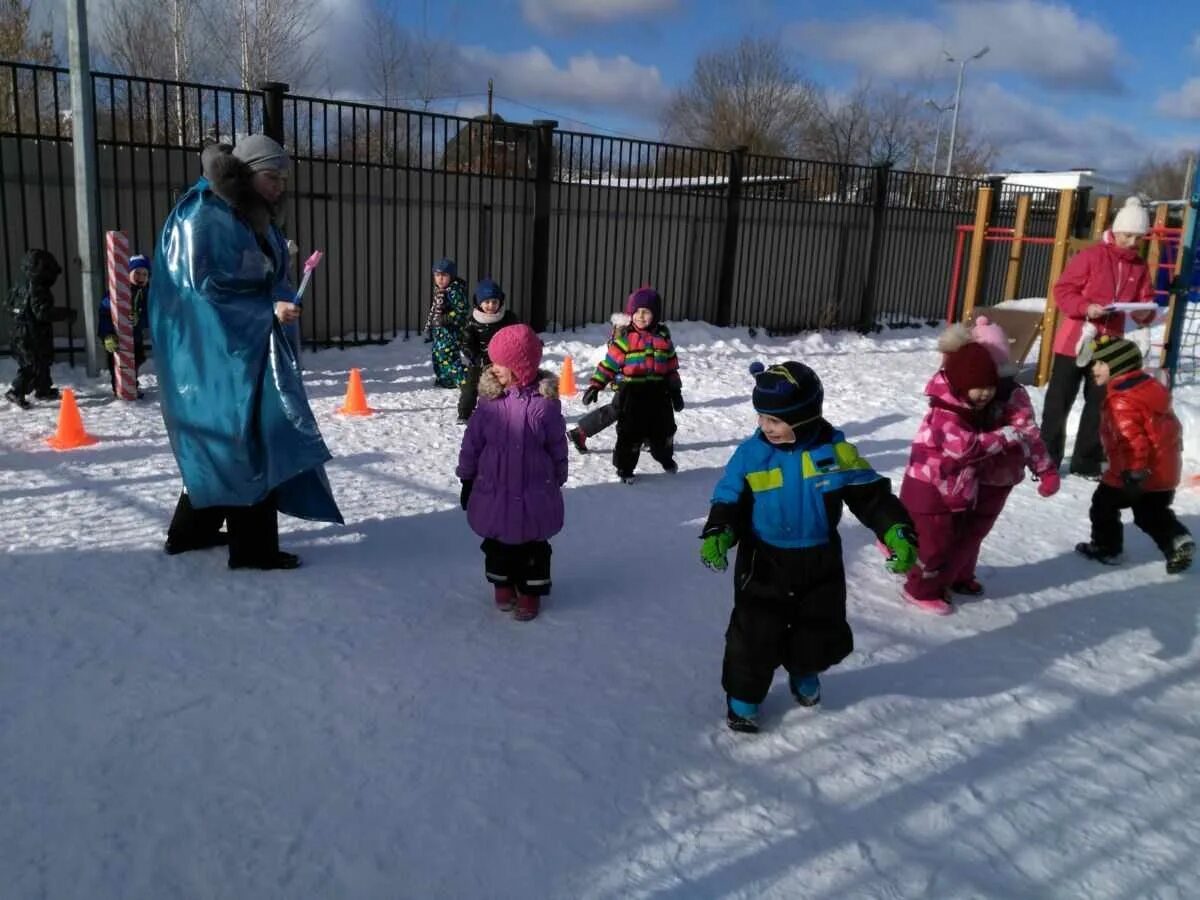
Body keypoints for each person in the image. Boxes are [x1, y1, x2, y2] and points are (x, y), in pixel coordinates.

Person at [149, 135, 342, 571]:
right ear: (248, 172)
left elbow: (243, 273)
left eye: (283, 179)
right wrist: (266, 308)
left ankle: (190, 533)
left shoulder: (241, 214)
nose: (279, 187)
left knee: (223, 443)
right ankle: (253, 549)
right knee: (243, 439)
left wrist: (274, 271)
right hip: (213, 356)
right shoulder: (204, 213)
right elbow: (200, 291)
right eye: (272, 177)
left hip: (236, 350)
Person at [700, 361, 917, 734]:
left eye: (776, 421)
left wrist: (895, 529)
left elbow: (870, 495)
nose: (766, 428)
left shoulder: (835, 452)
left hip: (819, 559)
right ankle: (745, 697)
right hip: (764, 558)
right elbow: (730, 497)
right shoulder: (753, 455)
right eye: (762, 418)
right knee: (754, 632)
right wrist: (720, 531)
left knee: (817, 626)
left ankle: (804, 670)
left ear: (804, 417)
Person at [899, 337, 1027, 614]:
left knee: (946, 541)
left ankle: (937, 576)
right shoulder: (946, 413)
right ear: (960, 384)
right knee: (932, 548)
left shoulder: (965, 408)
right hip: (929, 492)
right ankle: (919, 590)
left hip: (947, 491)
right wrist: (1002, 437)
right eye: (978, 387)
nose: (985, 394)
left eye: (990, 387)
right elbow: (964, 448)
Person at [456, 323, 568, 622]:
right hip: (495, 489)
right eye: (492, 362)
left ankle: (530, 593)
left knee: (533, 549)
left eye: (500, 364)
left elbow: (558, 443)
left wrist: (557, 476)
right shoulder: (489, 404)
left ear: (520, 367)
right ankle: (503, 584)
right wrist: (467, 477)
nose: (494, 369)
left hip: (535, 489)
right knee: (497, 545)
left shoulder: (545, 406)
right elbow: (472, 443)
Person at [1041, 197, 1157, 478]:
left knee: (1099, 404)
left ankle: (1086, 461)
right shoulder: (1091, 257)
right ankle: (1045, 458)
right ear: (1115, 231)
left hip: (1110, 345)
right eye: (1127, 235)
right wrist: (1085, 307)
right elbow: (1064, 290)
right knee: (1059, 400)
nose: (1131, 241)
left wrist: (1143, 313)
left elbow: (1146, 301)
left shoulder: (1140, 267)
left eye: (1138, 237)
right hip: (1076, 339)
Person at [945, 316, 1060, 595]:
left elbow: (1029, 434)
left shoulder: (1011, 395)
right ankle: (946, 574)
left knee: (974, 530)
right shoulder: (960, 389)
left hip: (998, 477)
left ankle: (958, 575)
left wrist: (1045, 470)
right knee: (958, 528)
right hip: (967, 472)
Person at [1075, 336, 1194, 574]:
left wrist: (1134, 472)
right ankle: (1176, 540)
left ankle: (1107, 548)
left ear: (1118, 366)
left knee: (1103, 506)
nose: (1094, 369)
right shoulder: (1149, 388)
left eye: (1100, 364)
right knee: (1150, 513)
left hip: (1134, 471)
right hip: (1164, 470)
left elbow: (1131, 440)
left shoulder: (1120, 401)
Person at [583, 287, 683, 483]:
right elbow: (608, 365)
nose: (640, 316)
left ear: (656, 315)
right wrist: (596, 385)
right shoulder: (625, 340)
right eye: (636, 312)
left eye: (646, 312)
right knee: (630, 433)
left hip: (659, 394)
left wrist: (676, 391)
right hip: (633, 394)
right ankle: (625, 467)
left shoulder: (664, 340)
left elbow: (672, 367)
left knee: (665, 430)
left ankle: (664, 457)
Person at [5, 249, 74, 409]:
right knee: (32, 364)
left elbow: (7, 304)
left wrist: (19, 314)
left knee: (42, 361)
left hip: (21, 330)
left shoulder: (21, 283)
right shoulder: (37, 288)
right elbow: (42, 313)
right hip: (30, 333)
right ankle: (16, 391)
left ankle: (43, 389)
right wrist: (65, 313)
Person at [567, 308, 629, 454]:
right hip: (627, 381)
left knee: (632, 410)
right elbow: (611, 363)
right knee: (618, 409)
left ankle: (645, 439)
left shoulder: (624, 335)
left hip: (632, 380)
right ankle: (580, 432)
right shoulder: (625, 338)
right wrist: (597, 384)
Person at [458, 278, 519, 423]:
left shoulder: (508, 318)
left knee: (503, 386)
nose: (491, 306)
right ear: (479, 303)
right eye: (486, 302)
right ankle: (464, 413)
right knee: (470, 387)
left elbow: (518, 334)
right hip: (478, 360)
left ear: (500, 302)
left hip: (502, 360)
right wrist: (474, 356)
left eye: (494, 302)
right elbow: (466, 342)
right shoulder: (472, 321)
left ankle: (505, 411)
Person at [99, 253, 150, 398]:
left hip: (136, 337)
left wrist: (139, 319)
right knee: (117, 364)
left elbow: (150, 316)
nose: (141, 277)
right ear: (128, 274)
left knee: (137, 358)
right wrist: (107, 334)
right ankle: (121, 389)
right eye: (137, 273)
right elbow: (104, 314)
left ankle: (131, 384)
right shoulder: (116, 292)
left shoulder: (146, 294)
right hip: (117, 337)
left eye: (145, 274)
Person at [427, 258, 470, 389]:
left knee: (449, 358)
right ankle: (444, 379)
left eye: (444, 275)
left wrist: (448, 318)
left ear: (451, 276)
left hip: (451, 332)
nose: (440, 279)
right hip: (440, 332)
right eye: (437, 275)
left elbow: (462, 310)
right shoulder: (440, 290)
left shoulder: (455, 291)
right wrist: (431, 325)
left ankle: (464, 381)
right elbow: (435, 310)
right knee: (437, 356)